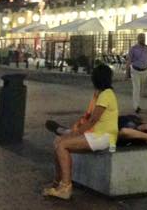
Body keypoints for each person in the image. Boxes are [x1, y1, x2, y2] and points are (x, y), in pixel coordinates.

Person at [42, 63, 118, 200]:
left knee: (62, 145)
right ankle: (58, 182)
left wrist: (74, 134)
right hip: (96, 135)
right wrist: (75, 130)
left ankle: (66, 186)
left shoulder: (106, 95)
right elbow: (88, 117)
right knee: (58, 141)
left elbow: (93, 120)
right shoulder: (100, 94)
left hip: (102, 137)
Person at [126, 33, 147, 113]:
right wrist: (127, 72)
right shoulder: (133, 48)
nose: (143, 39)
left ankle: (138, 103)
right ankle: (136, 106)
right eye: (141, 38)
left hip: (144, 70)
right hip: (135, 70)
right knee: (136, 88)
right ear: (138, 39)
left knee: (141, 89)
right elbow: (129, 60)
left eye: (144, 38)